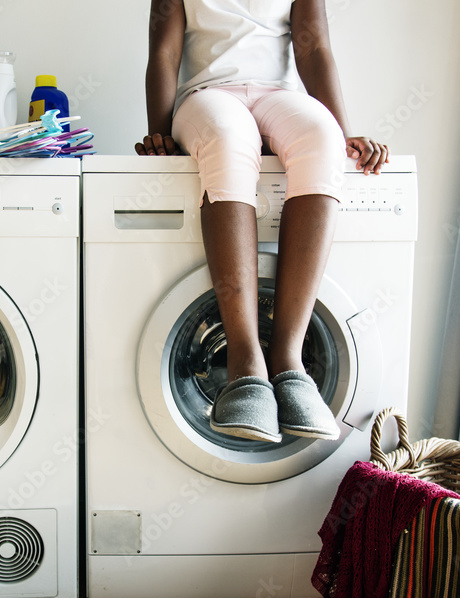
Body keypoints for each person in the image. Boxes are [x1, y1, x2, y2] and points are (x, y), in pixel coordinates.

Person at [135, 0, 388, 443]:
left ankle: (289, 362)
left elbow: (314, 48)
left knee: (323, 140)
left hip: (280, 96)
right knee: (229, 140)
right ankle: (245, 364)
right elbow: (164, 53)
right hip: (208, 96)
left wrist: (343, 131)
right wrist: (160, 132)